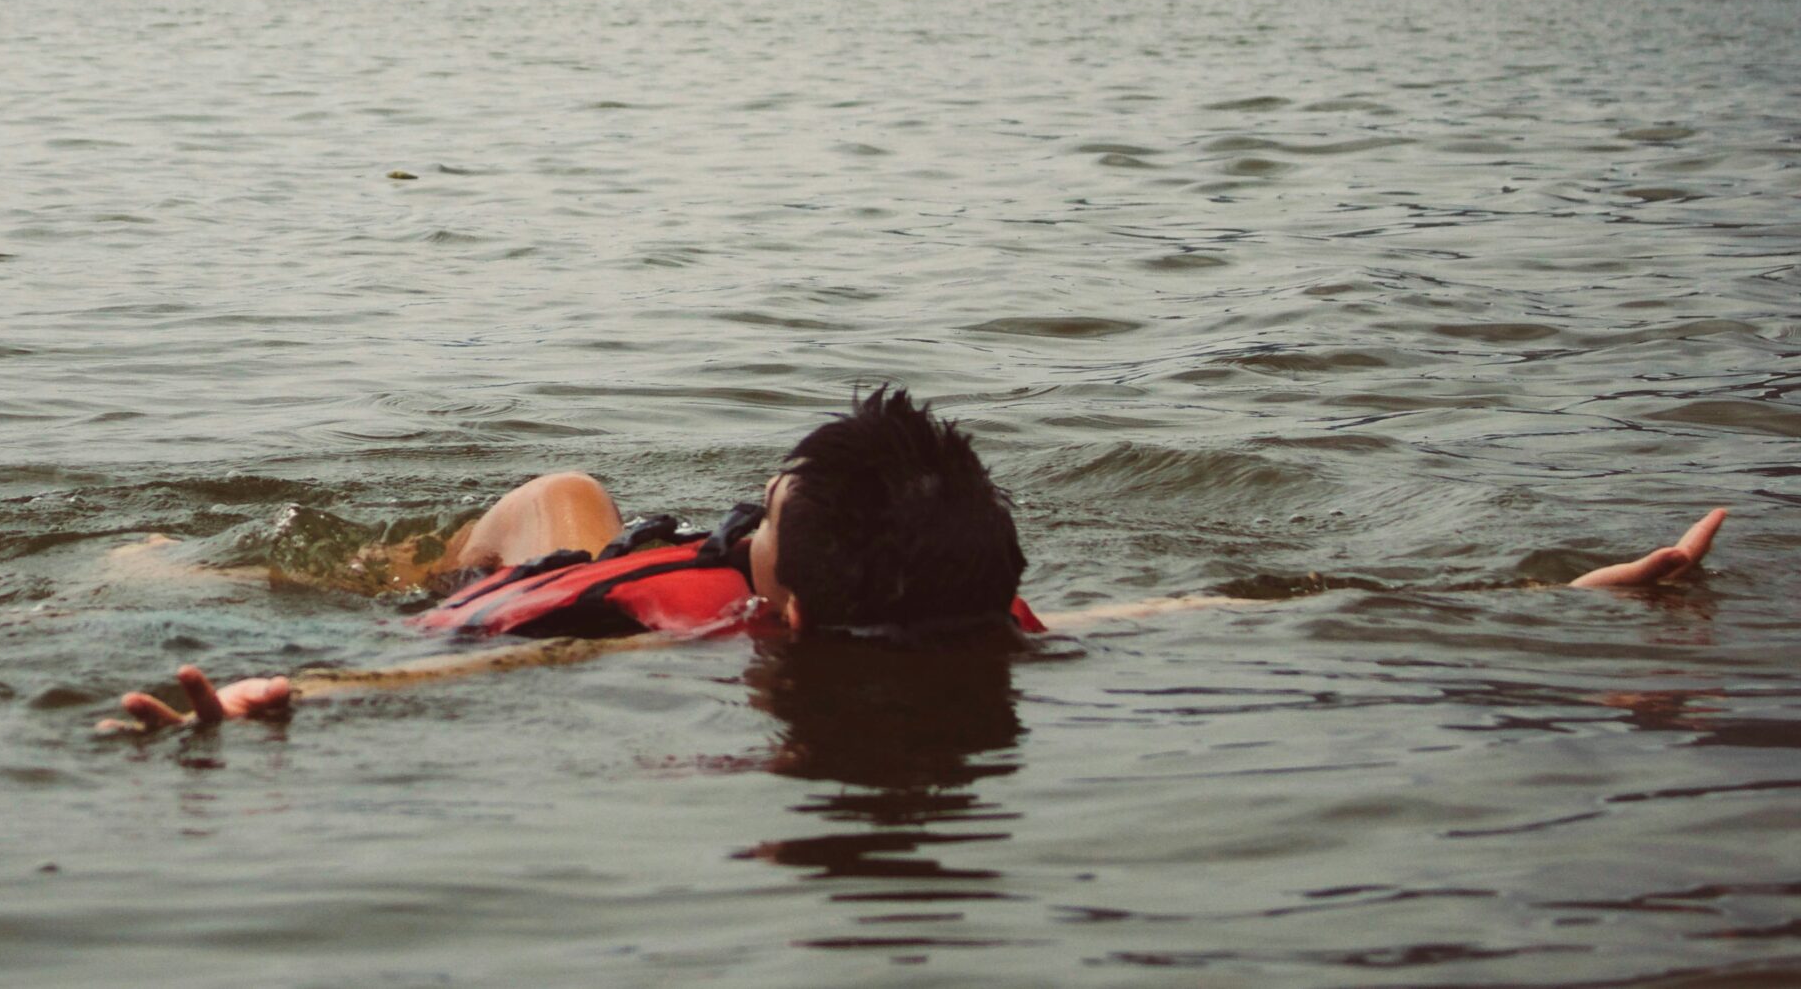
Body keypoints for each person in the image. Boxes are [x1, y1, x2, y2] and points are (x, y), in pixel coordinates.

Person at [105, 386, 1730, 732]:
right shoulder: (988, 612)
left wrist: (265, 696)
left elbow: (476, 670)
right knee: (578, 494)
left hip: (515, 585)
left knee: (565, 503)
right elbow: (1240, 604)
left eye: (753, 530)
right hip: (578, 549)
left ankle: (166, 567)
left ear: (783, 615)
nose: (735, 533)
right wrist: (1559, 598)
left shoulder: (679, 640)